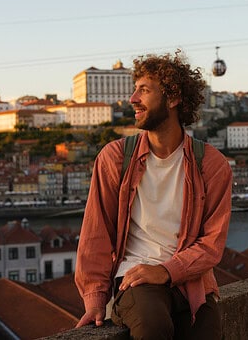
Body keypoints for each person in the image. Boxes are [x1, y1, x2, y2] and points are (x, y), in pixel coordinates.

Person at [75, 51, 232, 339]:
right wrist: (96, 300)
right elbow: (95, 233)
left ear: (173, 98)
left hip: (191, 279)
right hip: (136, 277)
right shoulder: (115, 157)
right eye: (135, 90)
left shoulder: (212, 165)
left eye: (144, 90)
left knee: (208, 331)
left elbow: (212, 244)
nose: (133, 98)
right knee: (154, 327)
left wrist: (167, 271)